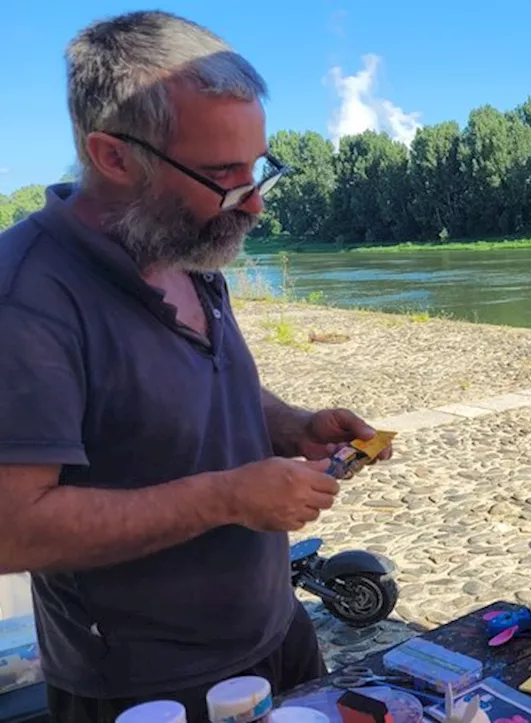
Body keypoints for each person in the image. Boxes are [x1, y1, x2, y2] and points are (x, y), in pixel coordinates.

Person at [0, 11, 390, 723]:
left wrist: (291, 425)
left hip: (277, 630)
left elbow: (207, 382)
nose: (257, 200)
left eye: (258, 167)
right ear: (114, 157)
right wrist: (224, 498)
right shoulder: (26, 298)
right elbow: (11, 527)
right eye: (224, 175)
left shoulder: (184, 240)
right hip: (145, 686)